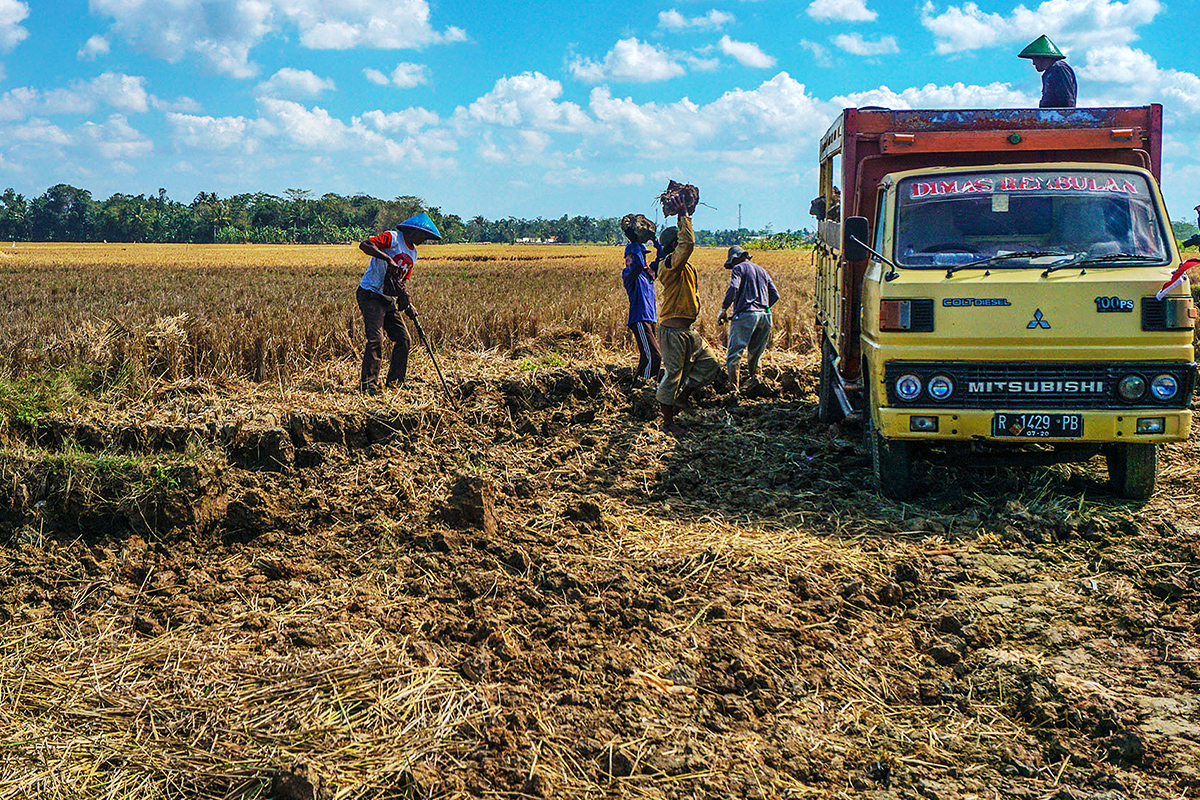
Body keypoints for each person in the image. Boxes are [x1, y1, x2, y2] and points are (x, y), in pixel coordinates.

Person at [356, 212, 442, 394]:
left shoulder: (413, 253)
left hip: (388, 299)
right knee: (375, 339)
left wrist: (407, 302)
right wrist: (387, 259)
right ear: (413, 231)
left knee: (403, 339)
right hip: (371, 293)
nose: (424, 240)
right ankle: (368, 386)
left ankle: (395, 382)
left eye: (427, 237)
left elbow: (401, 281)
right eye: (423, 235)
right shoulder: (392, 238)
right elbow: (365, 245)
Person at [655, 199, 721, 432]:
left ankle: (683, 398)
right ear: (674, 245)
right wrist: (683, 216)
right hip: (672, 331)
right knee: (673, 374)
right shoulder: (670, 264)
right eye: (678, 242)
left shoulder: (683, 266)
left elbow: (686, 246)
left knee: (709, 364)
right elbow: (688, 244)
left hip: (686, 331)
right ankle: (667, 422)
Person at [718, 246, 779, 393]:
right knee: (756, 355)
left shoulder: (738, 269)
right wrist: (762, 306)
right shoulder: (762, 270)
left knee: (734, 355)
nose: (732, 266)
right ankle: (756, 385)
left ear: (735, 259)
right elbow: (775, 294)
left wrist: (724, 309)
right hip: (765, 315)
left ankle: (734, 390)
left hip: (746, 315)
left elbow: (734, 287)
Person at [622, 231, 662, 383]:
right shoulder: (629, 274)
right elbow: (637, 264)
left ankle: (637, 387)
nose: (644, 259)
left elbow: (661, 258)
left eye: (645, 255)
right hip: (640, 319)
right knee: (654, 356)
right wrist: (635, 242)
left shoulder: (648, 273)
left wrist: (655, 241)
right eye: (639, 255)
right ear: (627, 259)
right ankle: (645, 388)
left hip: (650, 319)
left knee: (648, 357)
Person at [1018, 35, 1076, 108]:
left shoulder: (1059, 68)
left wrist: (1064, 115)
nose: (1033, 63)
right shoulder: (1049, 73)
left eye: (1034, 59)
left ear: (1042, 57)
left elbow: (1066, 98)